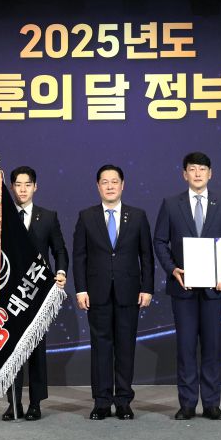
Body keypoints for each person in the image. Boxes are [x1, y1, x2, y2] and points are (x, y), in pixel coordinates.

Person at [153, 152, 221, 420]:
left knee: (212, 347)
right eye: (192, 169)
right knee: (186, 347)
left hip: (215, 289)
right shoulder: (171, 204)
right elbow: (160, 241)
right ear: (185, 174)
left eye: (203, 169)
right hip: (184, 288)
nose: (198, 173)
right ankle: (188, 404)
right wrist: (172, 269)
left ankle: (212, 403)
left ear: (210, 173)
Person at [72, 164, 154, 420]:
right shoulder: (86, 216)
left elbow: (146, 256)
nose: (110, 186)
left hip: (129, 292)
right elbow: (79, 256)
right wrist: (80, 289)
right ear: (98, 186)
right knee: (100, 348)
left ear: (122, 185)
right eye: (104, 182)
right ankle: (101, 401)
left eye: (114, 181)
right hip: (97, 293)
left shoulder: (137, 216)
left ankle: (124, 401)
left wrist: (147, 288)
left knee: (126, 347)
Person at [2, 166, 69, 421]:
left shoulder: (48, 217)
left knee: (37, 351)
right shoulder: (3, 218)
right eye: (18, 185)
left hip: (39, 293)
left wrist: (61, 272)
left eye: (27, 184)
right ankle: (13, 403)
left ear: (35, 187)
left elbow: (60, 250)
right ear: (12, 187)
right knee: (12, 350)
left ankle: (35, 404)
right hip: (11, 295)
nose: (22, 189)